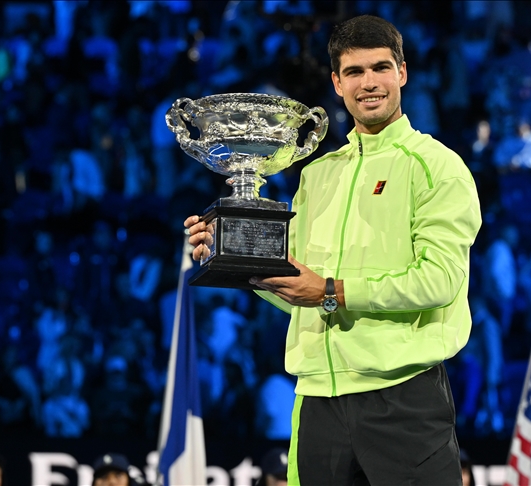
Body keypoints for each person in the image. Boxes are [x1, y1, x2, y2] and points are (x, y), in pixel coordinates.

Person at [185, 15, 482, 485]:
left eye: (380, 68)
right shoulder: (317, 174)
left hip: (402, 396)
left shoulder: (437, 167)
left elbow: (439, 281)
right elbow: (294, 286)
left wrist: (330, 291)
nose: (370, 83)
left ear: (402, 73)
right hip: (317, 399)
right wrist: (229, 253)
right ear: (337, 83)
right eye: (354, 72)